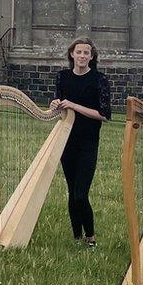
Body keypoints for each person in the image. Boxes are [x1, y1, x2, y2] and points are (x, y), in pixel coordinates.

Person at [49, 37, 111, 248]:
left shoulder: (99, 79)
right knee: (71, 191)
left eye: (87, 53)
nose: (82, 56)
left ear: (91, 57)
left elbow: (103, 114)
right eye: (79, 52)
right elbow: (60, 109)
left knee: (80, 194)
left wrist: (74, 105)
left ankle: (91, 238)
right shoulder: (62, 77)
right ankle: (77, 237)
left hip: (88, 142)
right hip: (66, 140)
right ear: (71, 54)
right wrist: (55, 105)